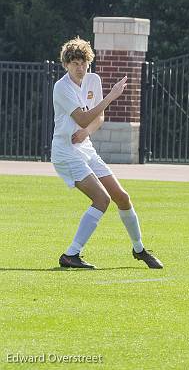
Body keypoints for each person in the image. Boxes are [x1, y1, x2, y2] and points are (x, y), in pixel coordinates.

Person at [51, 37, 163, 270]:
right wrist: (111, 97)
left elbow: (96, 119)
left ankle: (139, 249)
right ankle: (71, 255)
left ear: (88, 63)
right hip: (66, 151)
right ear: (65, 65)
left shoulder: (93, 80)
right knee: (101, 200)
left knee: (122, 196)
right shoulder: (61, 87)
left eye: (83, 62)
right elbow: (82, 117)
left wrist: (86, 133)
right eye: (73, 63)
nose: (79, 67)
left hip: (85, 148)